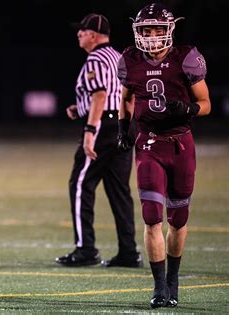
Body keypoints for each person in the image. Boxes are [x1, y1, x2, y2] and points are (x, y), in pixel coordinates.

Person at [117, 3, 211, 308]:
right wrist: (123, 127)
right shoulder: (130, 59)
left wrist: (189, 109)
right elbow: (126, 98)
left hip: (181, 144)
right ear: (137, 31)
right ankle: (159, 288)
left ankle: (173, 281)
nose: (152, 36)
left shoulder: (185, 57)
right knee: (152, 217)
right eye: (146, 30)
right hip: (148, 145)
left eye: (158, 29)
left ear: (169, 30)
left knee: (178, 218)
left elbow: (205, 102)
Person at [55, 13, 142, 268]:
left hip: (103, 126)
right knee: (119, 190)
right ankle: (128, 252)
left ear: (93, 34)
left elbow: (101, 96)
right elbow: (121, 95)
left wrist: (90, 131)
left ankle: (86, 250)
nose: (78, 35)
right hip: (124, 124)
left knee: (81, 184)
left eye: (82, 31)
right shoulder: (118, 57)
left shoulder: (95, 58)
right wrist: (79, 107)